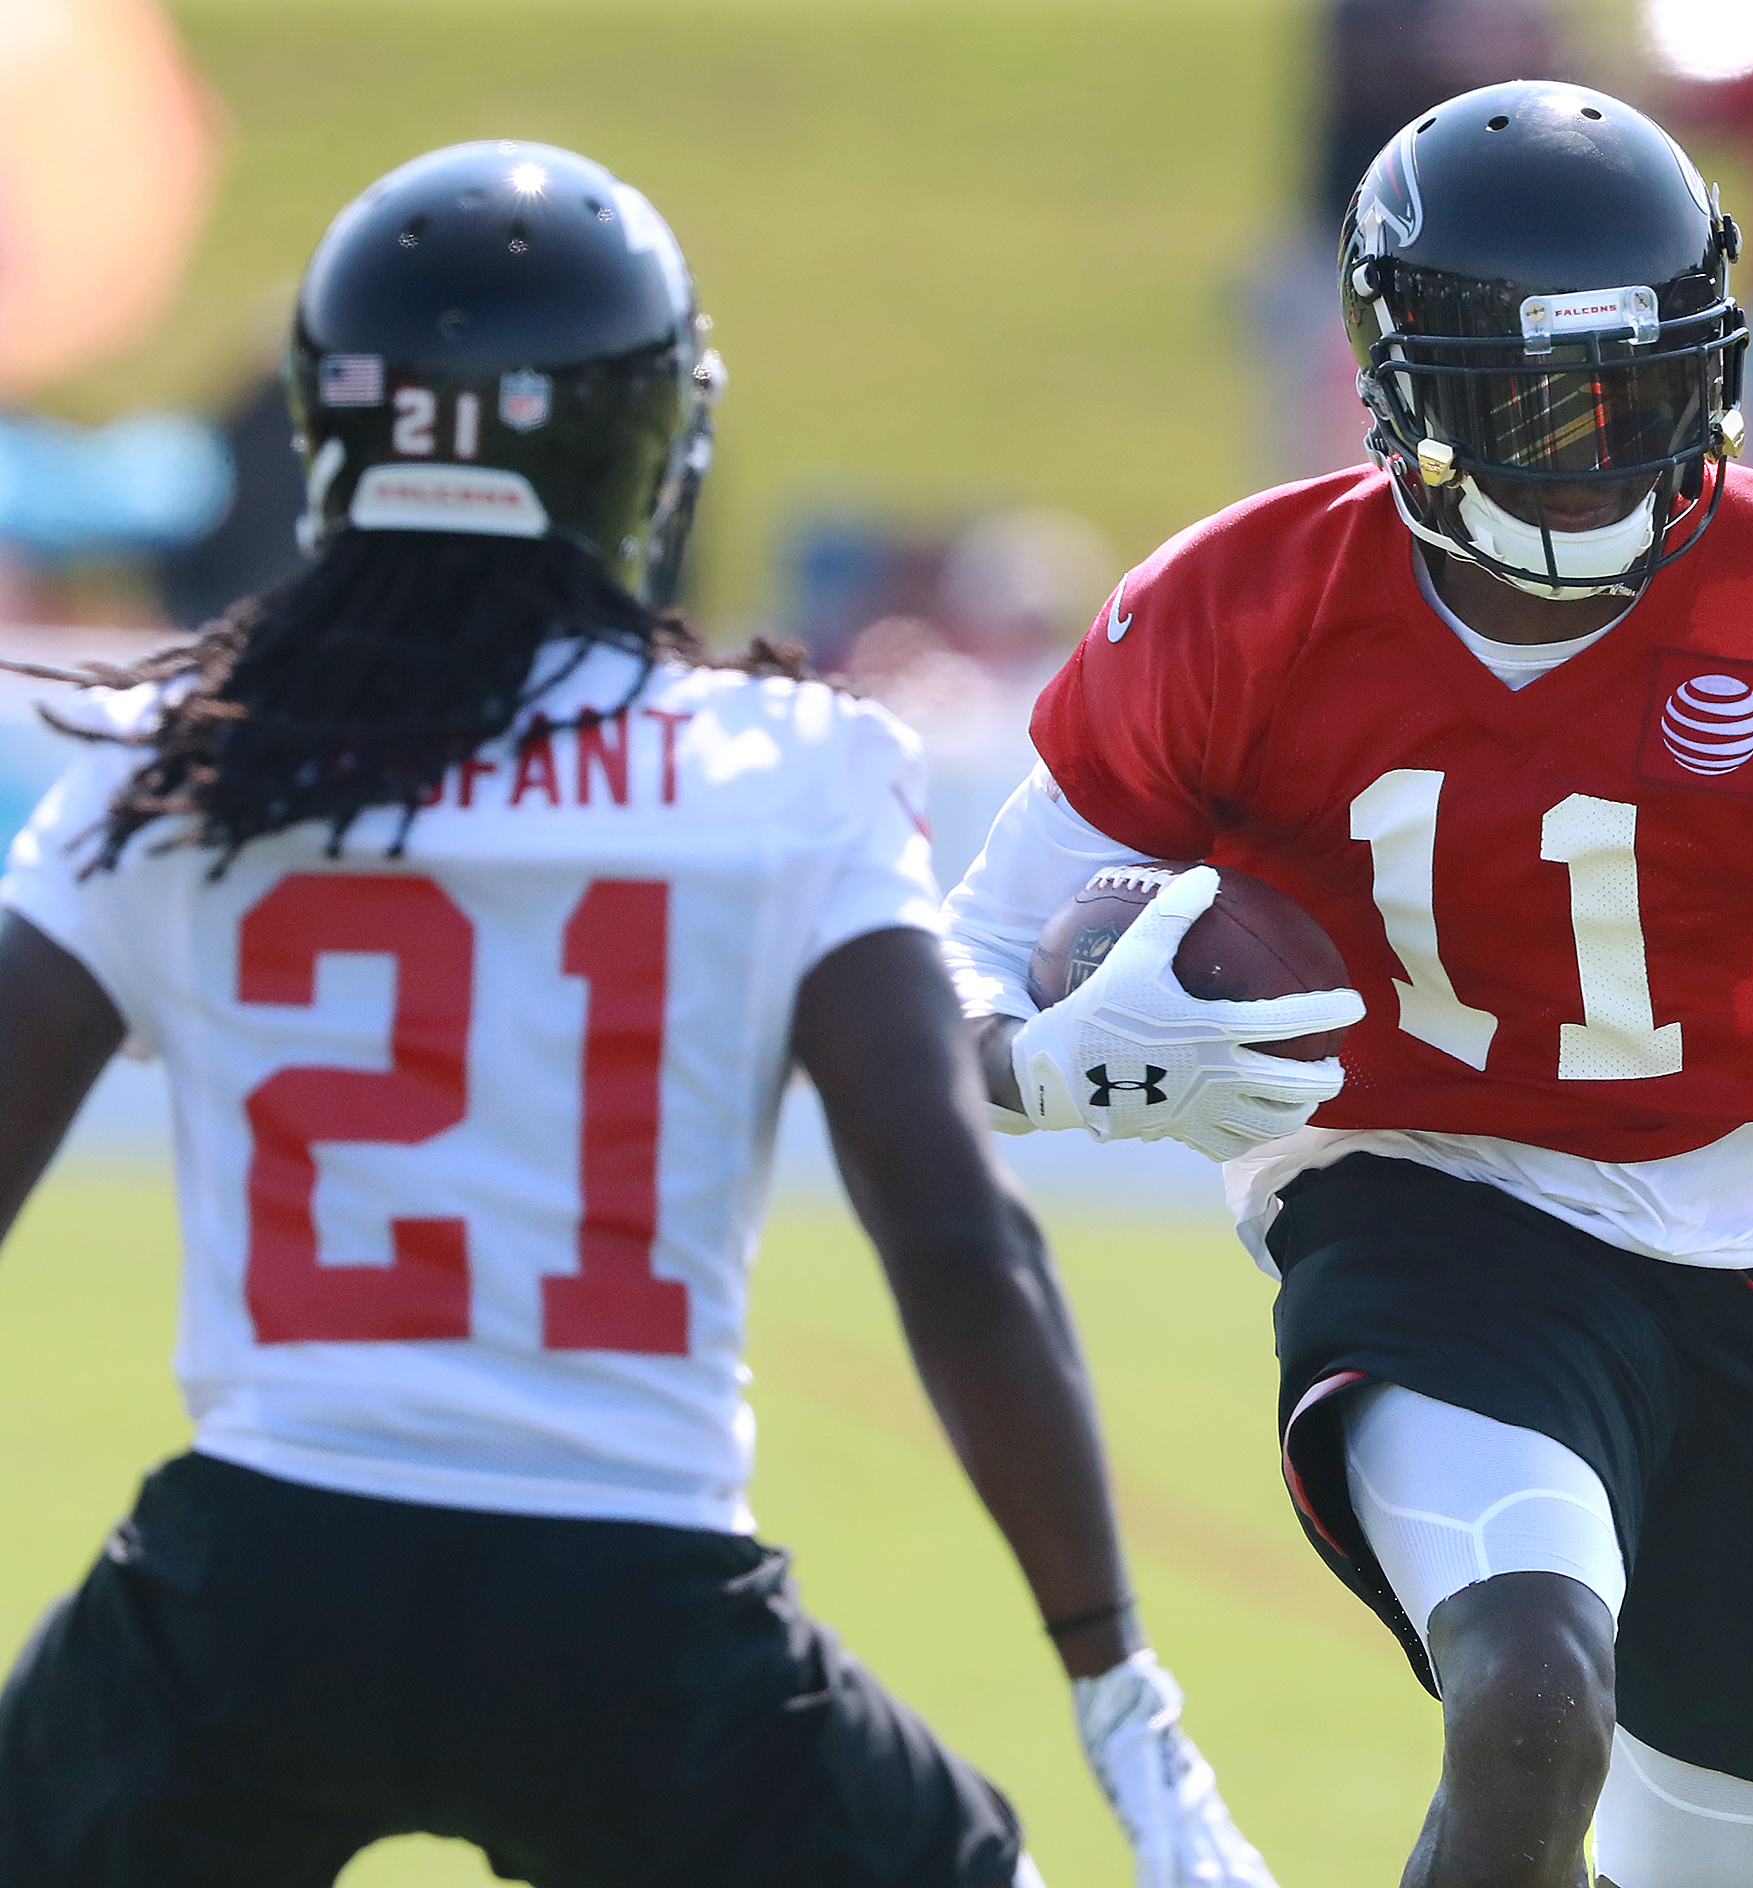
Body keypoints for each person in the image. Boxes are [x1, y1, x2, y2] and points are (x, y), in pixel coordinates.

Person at [943, 84, 1753, 1888]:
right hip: (1431, 1206)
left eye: (1634, 396)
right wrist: (1039, 1064)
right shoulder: (1239, 611)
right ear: (1401, 390)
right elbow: (950, 958)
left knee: (1704, 1860)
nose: (1589, 457)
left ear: (1712, 370)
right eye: (1527, 404)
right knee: (1532, 1695)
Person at [0, 141, 1273, 1888]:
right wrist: (1119, 1687)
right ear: (641, 445)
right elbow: (958, 1242)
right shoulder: (781, 767)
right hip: (631, 1602)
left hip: (257, 1584)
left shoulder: (178, 764)